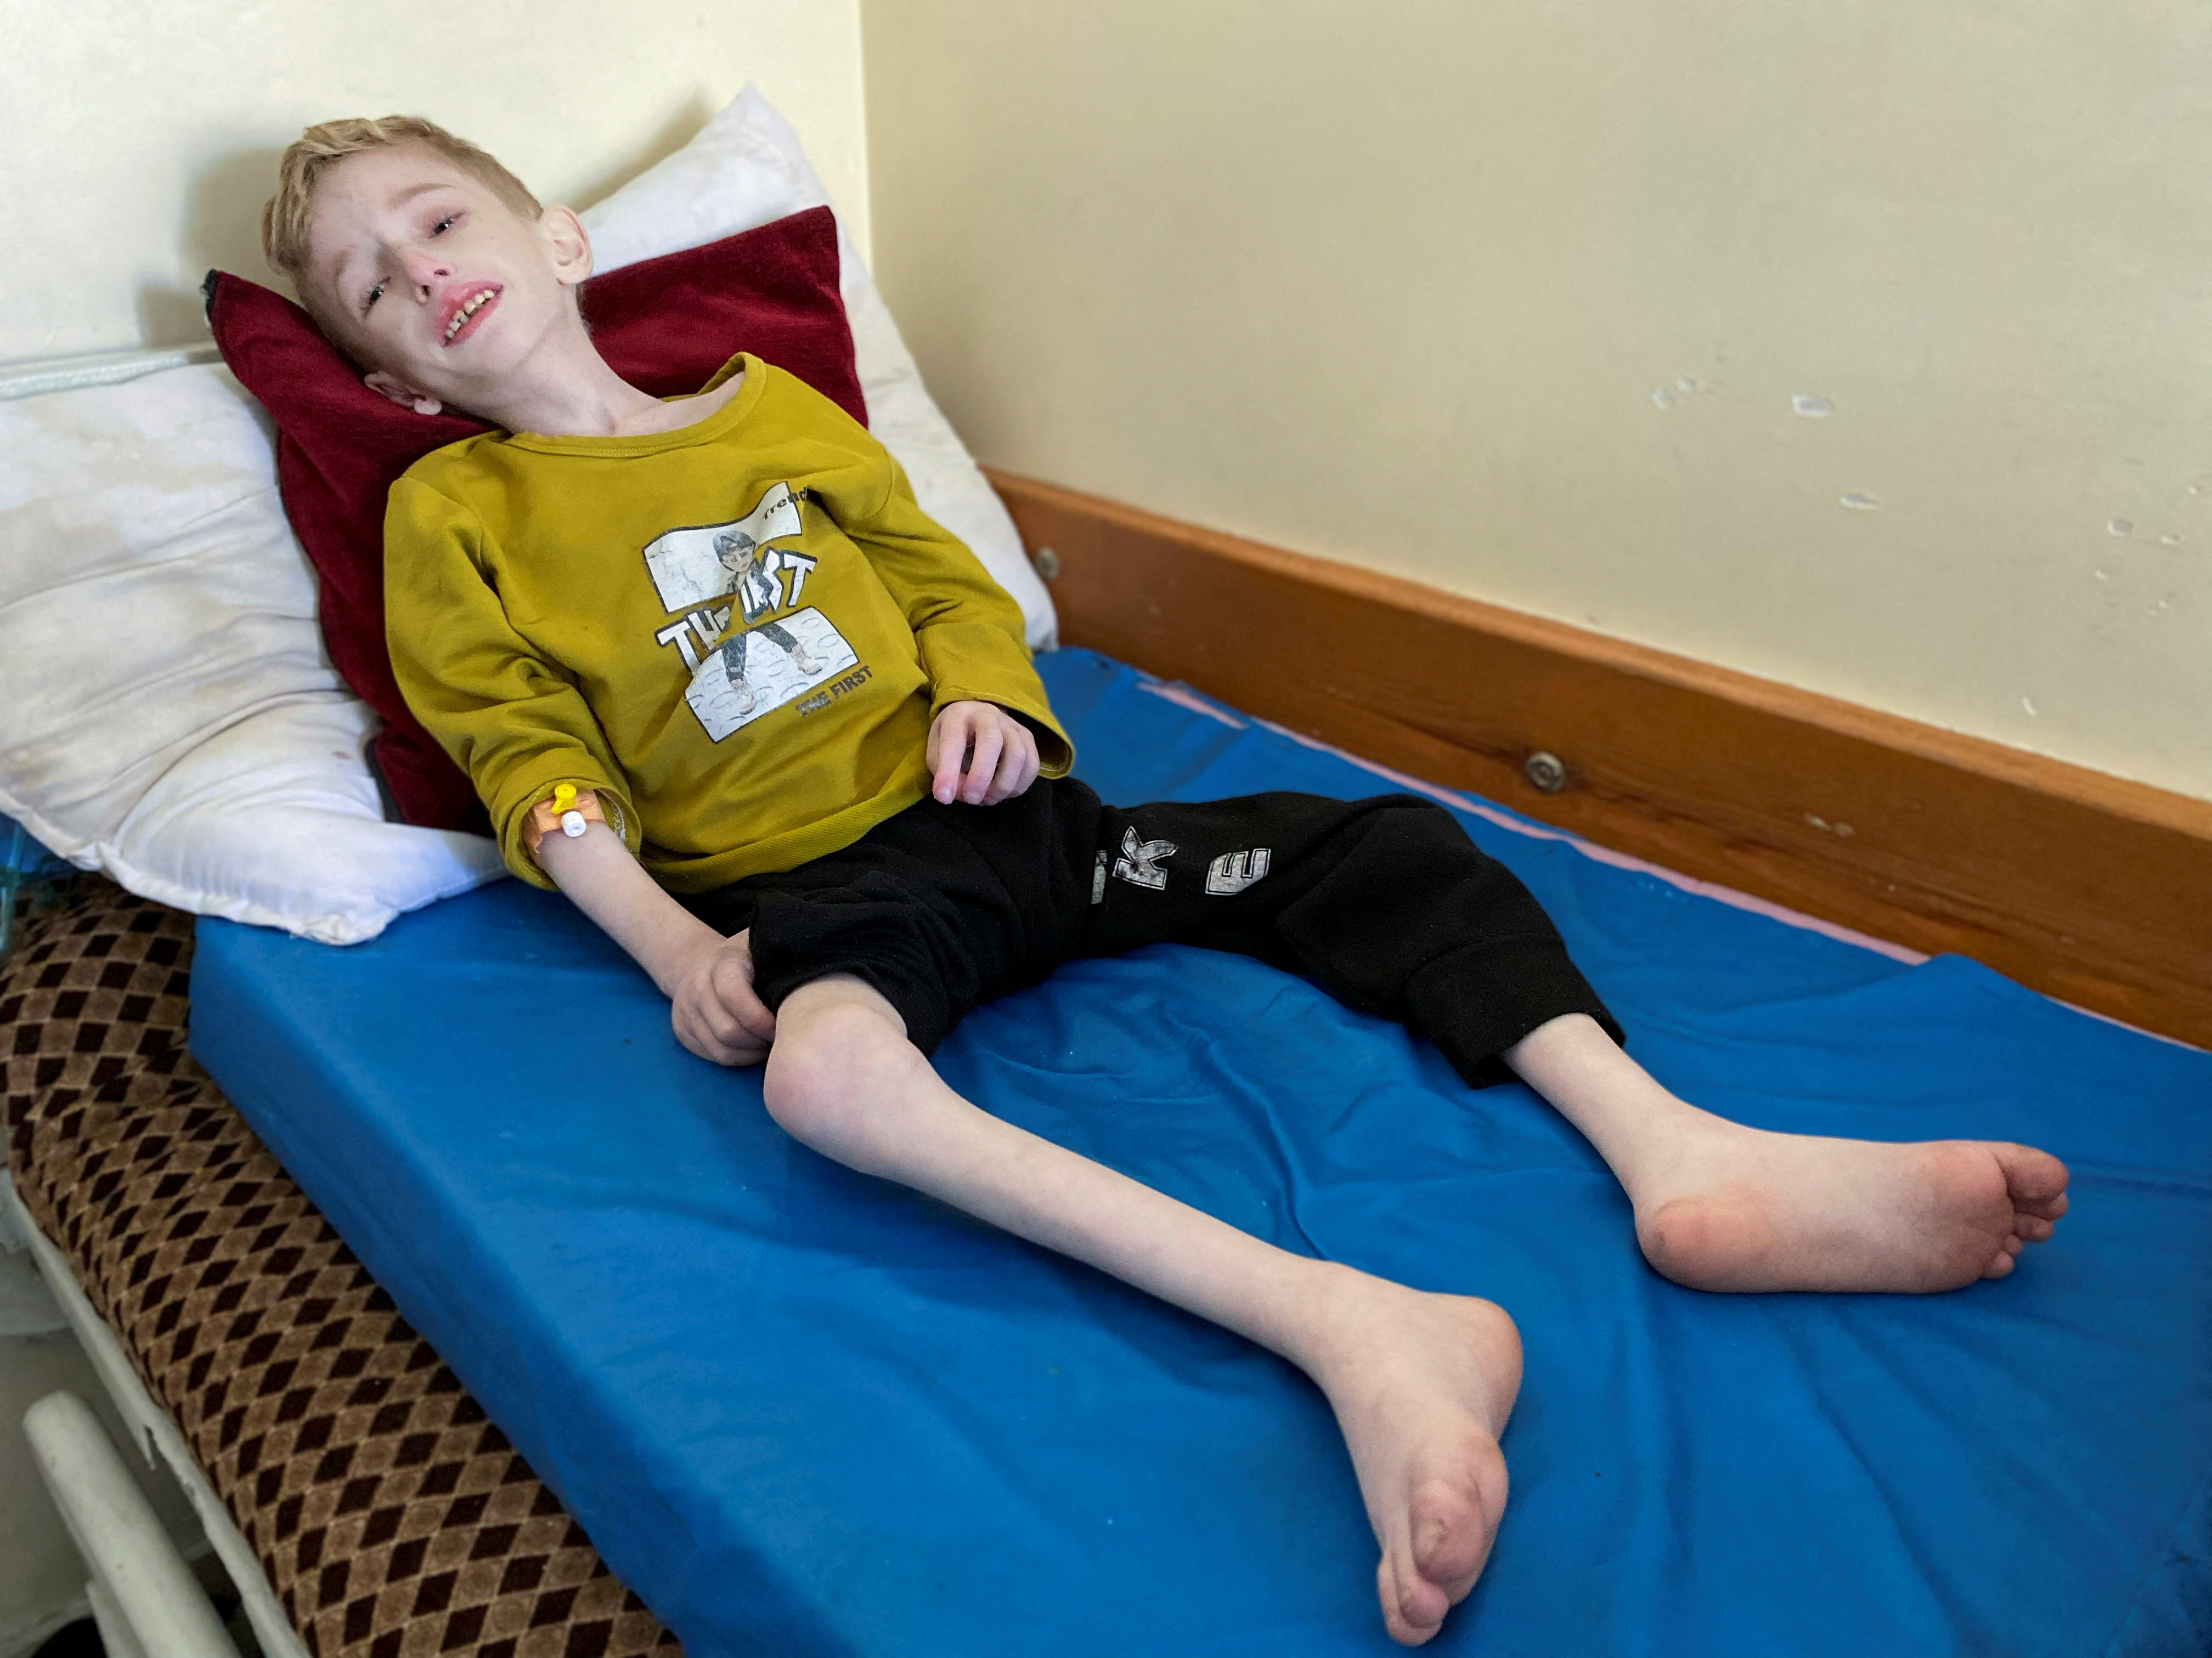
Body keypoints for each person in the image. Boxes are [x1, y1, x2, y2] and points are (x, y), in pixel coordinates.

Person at [263, 116, 2070, 1647]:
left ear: (556, 235)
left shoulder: (772, 413)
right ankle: (1357, 1326)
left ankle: (1690, 1159)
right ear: (378, 375)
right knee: (825, 1076)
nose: (419, 270)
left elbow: (945, 580)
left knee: (1373, 844)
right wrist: (674, 947)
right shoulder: (457, 520)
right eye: (369, 283)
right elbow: (530, 763)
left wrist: (981, 684)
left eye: (440, 220)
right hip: (845, 893)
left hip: (1035, 825)